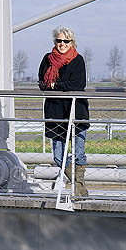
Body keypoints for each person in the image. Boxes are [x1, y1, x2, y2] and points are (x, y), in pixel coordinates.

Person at [38, 26, 89, 196]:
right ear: (55, 41)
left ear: (72, 42)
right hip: (55, 112)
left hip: (76, 111)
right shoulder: (47, 59)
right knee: (59, 156)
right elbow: (42, 83)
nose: (62, 44)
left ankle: (79, 190)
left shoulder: (78, 60)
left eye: (66, 41)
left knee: (78, 153)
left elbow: (78, 85)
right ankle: (78, 185)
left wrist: (55, 85)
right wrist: (57, 86)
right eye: (59, 41)